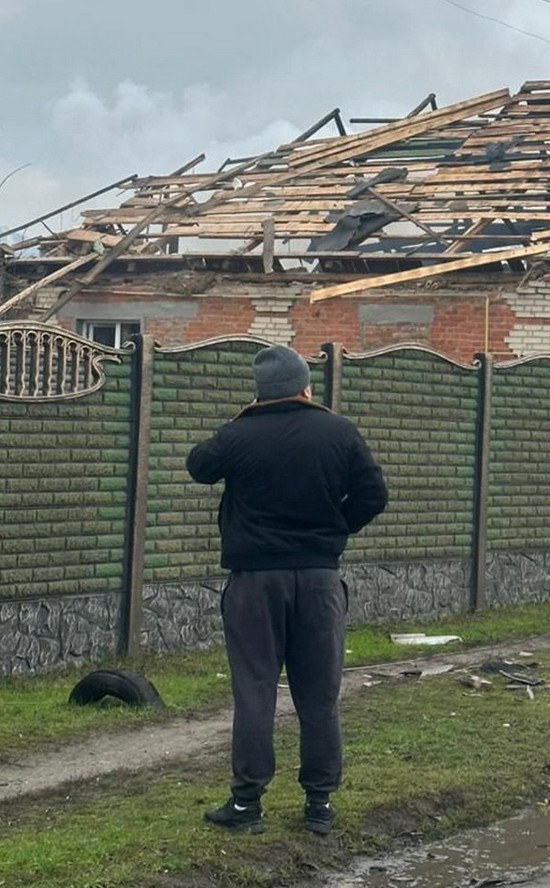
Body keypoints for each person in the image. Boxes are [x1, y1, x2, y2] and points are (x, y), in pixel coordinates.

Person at [186, 345, 388, 835]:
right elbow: (374, 495)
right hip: (320, 580)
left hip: (256, 583)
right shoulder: (338, 431)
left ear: (260, 392)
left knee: (255, 689)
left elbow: (198, 466)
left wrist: (240, 422)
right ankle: (318, 805)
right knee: (319, 694)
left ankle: (247, 805)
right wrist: (336, 527)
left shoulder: (240, 434)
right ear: (305, 387)